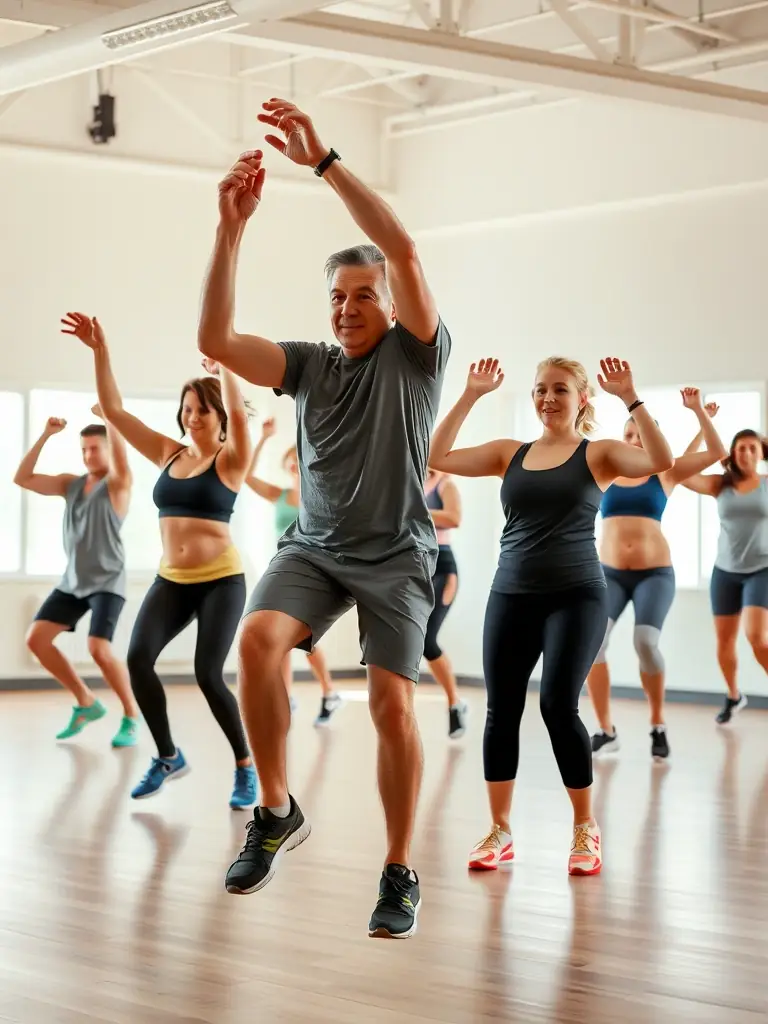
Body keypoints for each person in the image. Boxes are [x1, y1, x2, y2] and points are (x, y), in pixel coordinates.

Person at [198, 98, 450, 940]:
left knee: (389, 706)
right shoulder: (307, 367)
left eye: (363, 295)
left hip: (397, 557)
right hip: (315, 545)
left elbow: (406, 247)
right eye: (337, 296)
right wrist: (231, 228)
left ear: (391, 304)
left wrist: (324, 161)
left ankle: (399, 869)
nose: (347, 307)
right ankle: (275, 810)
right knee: (257, 644)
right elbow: (215, 336)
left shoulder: (418, 357)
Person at [428, 355, 674, 877]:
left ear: (582, 397)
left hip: (578, 595)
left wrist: (630, 396)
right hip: (511, 593)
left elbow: (659, 457)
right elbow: (437, 454)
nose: (546, 398)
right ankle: (499, 830)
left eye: (559, 389)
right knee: (501, 710)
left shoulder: (600, 454)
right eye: (540, 389)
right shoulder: (509, 454)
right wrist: (471, 394)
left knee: (559, 706)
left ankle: (585, 827)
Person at [62, 312, 257, 809]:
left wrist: (226, 369)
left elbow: (233, 405)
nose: (192, 417)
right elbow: (114, 411)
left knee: (208, 674)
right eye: (187, 409)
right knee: (136, 658)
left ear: (219, 417)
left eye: (202, 410)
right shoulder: (169, 454)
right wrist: (100, 350)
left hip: (221, 581)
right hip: (173, 579)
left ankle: (244, 766)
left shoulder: (231, 460)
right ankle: (168, 756)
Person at [587, 390, 727, 761]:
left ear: (652, 441)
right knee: (593, 645)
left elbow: (714, 453)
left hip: (654, 574)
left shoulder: (664, 473)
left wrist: (700, 414)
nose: (633, 440)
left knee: (645, 642)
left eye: (640, 435)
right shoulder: (605, 473)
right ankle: (606, 729)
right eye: (628, 435)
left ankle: (657, 723)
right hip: (609, 574)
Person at [15, 409, 139, 746]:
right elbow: (22, 478)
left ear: (110, 449)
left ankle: (131, 715)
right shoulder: (71, 484)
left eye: (95, 448)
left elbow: (124, 464)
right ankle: (86, 702)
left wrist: (112, 420)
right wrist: (45, 435)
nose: (87, 455)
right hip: (72, 581)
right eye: (83, 449)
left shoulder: (118, 484)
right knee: (36, 640)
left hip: (107, 582)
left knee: (98, 649)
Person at [245, 417, 342, 727]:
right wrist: (263, 438)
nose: (293, 465)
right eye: (290, 460)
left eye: (298, 460)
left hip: (311, 569)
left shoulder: (320, 494)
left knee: (302, 638)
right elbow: (245, 475)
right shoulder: (280, 495)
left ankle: (328, 692)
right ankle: (286, 696)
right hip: (281, 568)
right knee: (279, 637)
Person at [681, 426, 768, 724]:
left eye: (752, 448)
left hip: (761, 570)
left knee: (758, 637)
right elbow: (683, 474)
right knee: (724, 643)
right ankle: (733, 695)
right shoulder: (721, 484)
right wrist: (700, 421)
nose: (746, 453)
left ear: (761, 453)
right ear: (731, 453)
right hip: (726, 572)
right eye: (740, 448)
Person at [424, 468, 467, 738]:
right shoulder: (413, 481)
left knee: (428, 639)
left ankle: (454, 704)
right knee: (414, 640)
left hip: (442, 567)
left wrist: (415, 512)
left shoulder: (445, 484)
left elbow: (454, 518)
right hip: (416, 566)